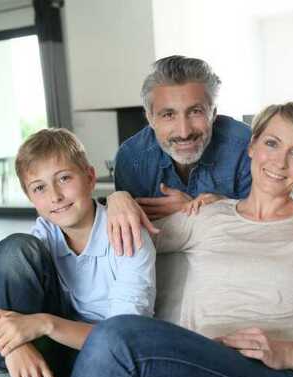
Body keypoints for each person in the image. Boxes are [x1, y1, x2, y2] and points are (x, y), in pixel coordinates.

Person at [62, 102, 293, 377]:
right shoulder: (209, 215)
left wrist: (285, 352)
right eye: (272, 143)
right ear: (252, 147)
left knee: (116, 336)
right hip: (194, 370)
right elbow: (117, 240)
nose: (280, 162)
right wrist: (118, 198)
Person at [0, 129, 156, 377]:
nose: (55, 196)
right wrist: (16, 345)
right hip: (41, 355)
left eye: (64, 178)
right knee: (15, 248)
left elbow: (125, 339)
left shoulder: (127, 236)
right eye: (39, 187)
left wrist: (43, 325)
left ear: (90, 177)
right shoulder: (40, 239)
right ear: (30, 197)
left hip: (100, 357)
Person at [107, 55, 252, 256]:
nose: (184, 132)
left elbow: (264, 228)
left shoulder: (246, 146)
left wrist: (211, 209)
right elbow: (135, 241)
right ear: (150, 118)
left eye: (195, 112)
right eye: (168, 115)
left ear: (214, 112)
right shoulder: (132, 158)